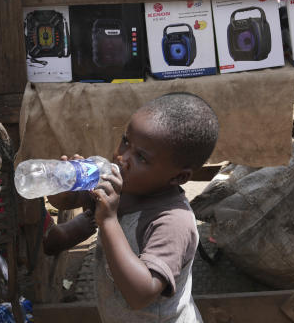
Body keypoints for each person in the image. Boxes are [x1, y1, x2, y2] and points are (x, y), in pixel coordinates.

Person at [43, 93, 219, 322]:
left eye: (141, 158)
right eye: (126, 141)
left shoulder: (173, 222)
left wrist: (108, 221)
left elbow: (141, 295)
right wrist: (66, 185)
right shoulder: (127, 188)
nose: (121, 157)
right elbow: (60, 221)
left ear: (179, 177)